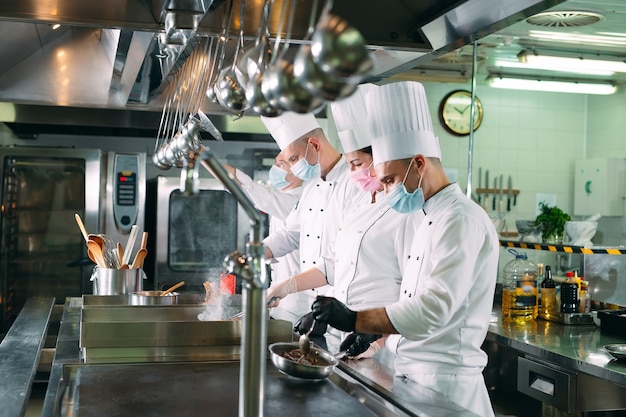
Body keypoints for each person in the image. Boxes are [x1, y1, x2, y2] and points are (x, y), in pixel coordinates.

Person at [310, 81, 499, 417]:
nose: (384, 189)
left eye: (390, 180)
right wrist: (374, 332)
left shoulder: (460, 220)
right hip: (413, 378)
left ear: (419, 163)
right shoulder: (428, 214)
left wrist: (355, 318)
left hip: (447, 388)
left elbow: (432, 309)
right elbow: (410, 299)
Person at [267, 84, 420, 358]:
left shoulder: (408, 212)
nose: (351, 173)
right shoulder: (362, 205)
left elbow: (412, 290)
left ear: (381, 160)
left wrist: (377, 338)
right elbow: (335, 264)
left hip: (384, 343)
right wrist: (288, 286)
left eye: (357, 163)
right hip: (349, 334)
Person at [260, 112, 369, 315]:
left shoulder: (354, 184)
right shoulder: (311, 188)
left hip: (342, 302)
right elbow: (290, 233)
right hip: (311, 300)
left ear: (315, 145)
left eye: (294, 158)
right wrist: (257, 251)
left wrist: (290, 284)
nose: (292, 168)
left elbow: (344, 256)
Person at [218, 153, 310, 323]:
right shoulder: (285, 200)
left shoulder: (296, 201)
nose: (275, 168)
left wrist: (206, 158)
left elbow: (247, 188)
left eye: (281, 164)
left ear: (298, 171)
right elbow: (279, 242)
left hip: (299, 306)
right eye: (275, 163)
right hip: (281, 301)